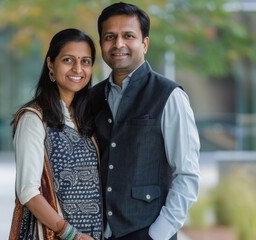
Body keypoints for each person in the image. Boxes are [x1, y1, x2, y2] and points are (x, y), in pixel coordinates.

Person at [89, 2, 200, 240]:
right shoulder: (92, 97)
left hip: (146, 233)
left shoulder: (169, 96)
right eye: (110, 36)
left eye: (128, 36)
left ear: (145, 44)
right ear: (101, 44)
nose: (118, 44)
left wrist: (157, 235)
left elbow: (187, 175)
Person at [9, 28, 102, 240]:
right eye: (68, 60)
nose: (78, 68)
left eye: (85, 61)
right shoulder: (34, 119)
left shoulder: (87, 117)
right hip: (55, 234)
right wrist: (72, 235)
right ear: (51, 63)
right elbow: (28, 192)